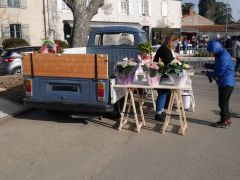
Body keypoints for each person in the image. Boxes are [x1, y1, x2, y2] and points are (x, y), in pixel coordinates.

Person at [205, 40, 235, 128]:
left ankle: (224, 121)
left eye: (212, 52)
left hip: (226, 83)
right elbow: (217, 66)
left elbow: (219, 72)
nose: (211, 53)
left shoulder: (223, 57)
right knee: (224, 103)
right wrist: (206, 65)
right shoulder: (220, 54)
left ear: (216, 49)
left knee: (223, 103)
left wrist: (208, 73)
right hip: (225, 82)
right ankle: (227, 119)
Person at [153, 34, 179, 121]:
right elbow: (170, 62)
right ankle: (158, 114)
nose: (176, 44)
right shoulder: (164, 49)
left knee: (164, 93)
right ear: (170, 41)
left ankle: (161, 110)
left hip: (163, 74)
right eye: (175, 42)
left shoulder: (167, 49)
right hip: (161, 75)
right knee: (163, 93)